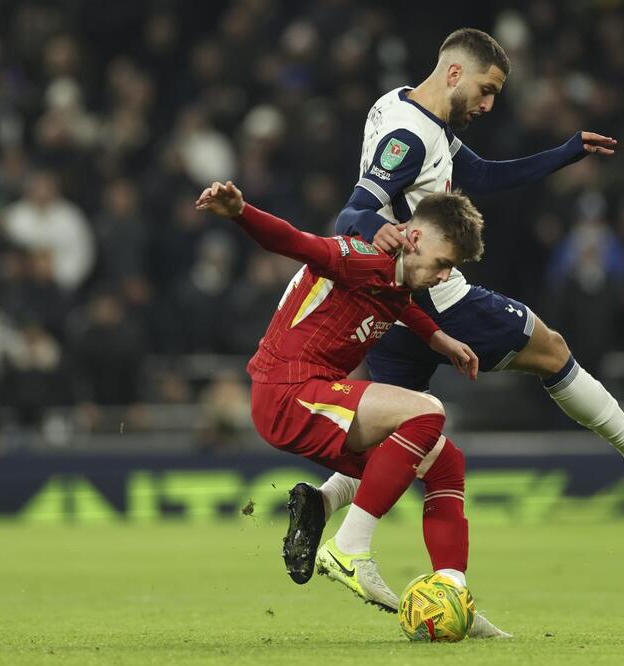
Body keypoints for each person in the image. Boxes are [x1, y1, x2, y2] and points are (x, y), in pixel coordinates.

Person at [285, 28, 624, 596]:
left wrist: (564, 152)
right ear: (455, 73)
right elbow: (351, 213)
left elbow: (480, 176)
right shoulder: (410, 134)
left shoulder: (403, 109)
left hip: (391, 303)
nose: (487, 105)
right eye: (486, 90)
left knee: (403, 437)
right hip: (432, 293)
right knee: (550, 348)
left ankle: (324, 502)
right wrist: (386, 231)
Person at [195, 180, 508, 638]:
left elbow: (398, 303)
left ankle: (451, 594)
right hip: (289, 391)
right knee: (426, 411)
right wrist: (242, 212)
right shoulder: (360, 256)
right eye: (443, 264)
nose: (445, 276)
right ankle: (349, 546)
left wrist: (439, 339)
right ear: (414, 238)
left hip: (317, 391)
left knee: (445, 463)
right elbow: (294, 241)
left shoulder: (398, 278)